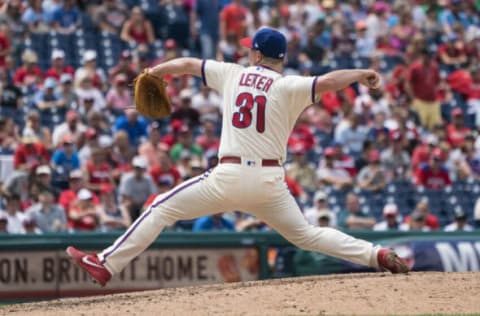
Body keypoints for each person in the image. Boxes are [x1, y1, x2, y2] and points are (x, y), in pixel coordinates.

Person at [67, 28, 409, 286]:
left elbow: (186, 64)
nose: (248, 54)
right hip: (270, 183)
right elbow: (330, 81)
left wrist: (157, 71)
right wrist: (362, 75)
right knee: (306, 234)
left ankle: (107, 263)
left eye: (251, 50)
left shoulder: (232, 73)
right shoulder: (289, 86)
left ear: (258, 55)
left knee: (161, 208)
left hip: (227, 178)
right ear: (281, 59)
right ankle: (374, 254)